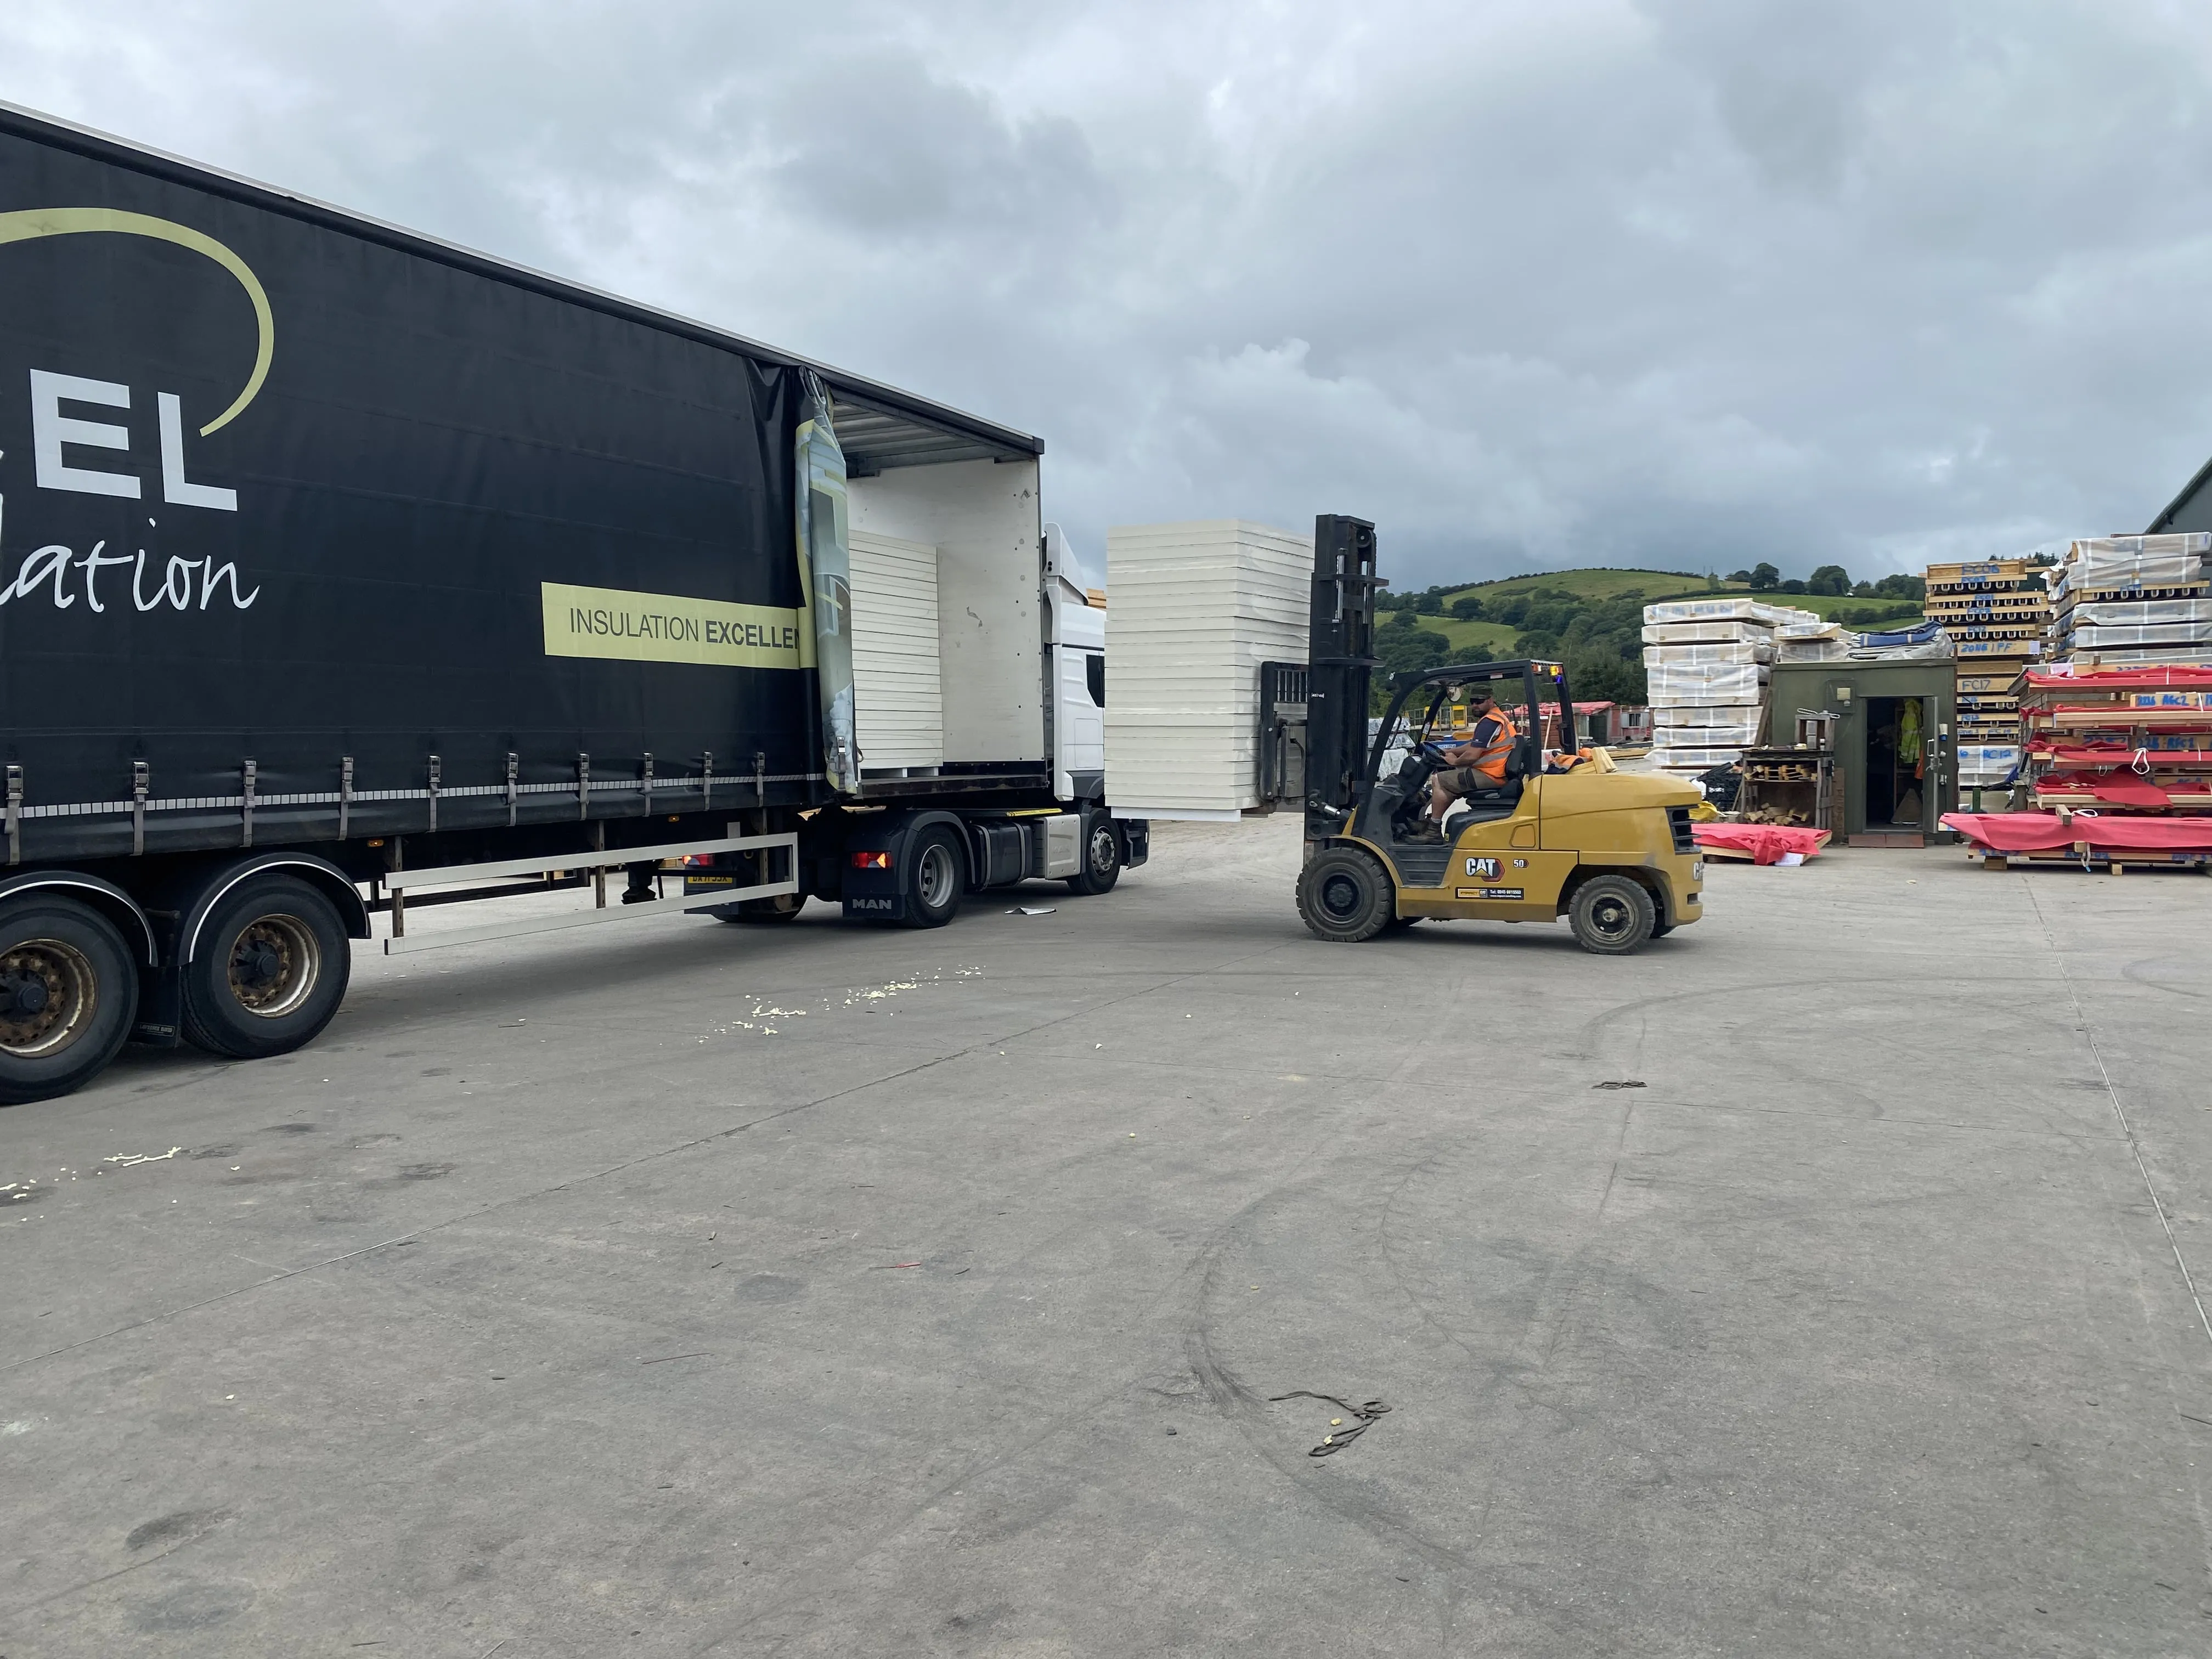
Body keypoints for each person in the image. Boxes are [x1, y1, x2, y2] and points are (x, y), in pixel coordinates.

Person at [1421, 691, 1518, 828]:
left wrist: (1454, 762)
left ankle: (1433, 828)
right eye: (1472, 702)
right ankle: (1433, 822)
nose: (1475, 705)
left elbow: (1472, 755)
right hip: (1496, 772)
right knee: (1450, 783)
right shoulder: (1496, 717)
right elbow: (1474, 745)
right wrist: (1450, 752)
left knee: (1438, 780)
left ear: (1491, 700)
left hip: (1492, 774)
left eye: (1479, 702)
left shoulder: (1489, 722)